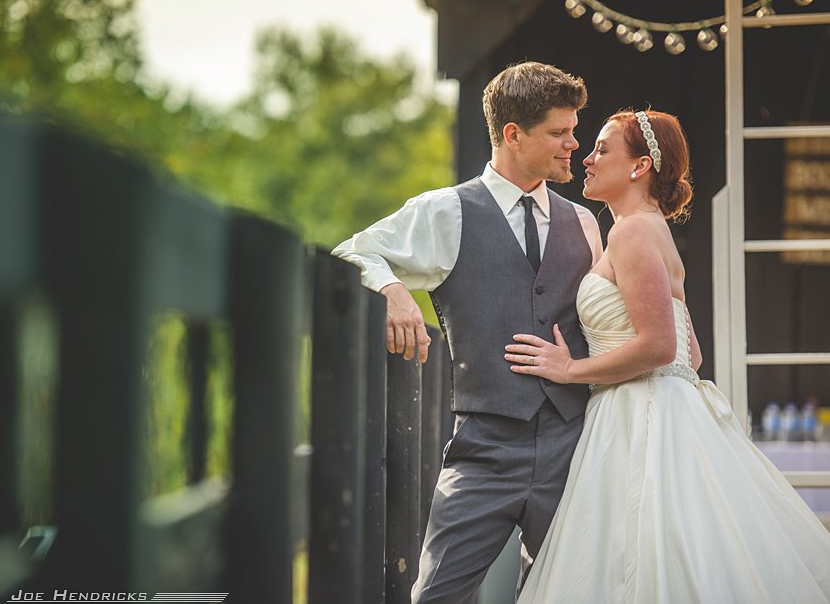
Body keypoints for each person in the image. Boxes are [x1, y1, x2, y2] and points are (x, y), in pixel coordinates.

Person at [506, 109, 830, 602]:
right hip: (669, 409)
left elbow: (660, 346)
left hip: (637, 414)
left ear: (639, 167)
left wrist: (570, 368)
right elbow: (691, 354)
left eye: (602, 149)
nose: (587, 159)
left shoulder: (632, 232)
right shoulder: (652, 229)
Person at [332, 61, 603, 601]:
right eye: (559, 132)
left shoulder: (585, 222)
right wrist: (392, 292)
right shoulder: (447, 211)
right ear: (512, 134)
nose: (575, 144)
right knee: (435, 595)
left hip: (574, 445)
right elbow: (352, 252)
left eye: (573, 130)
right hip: (485, 448)